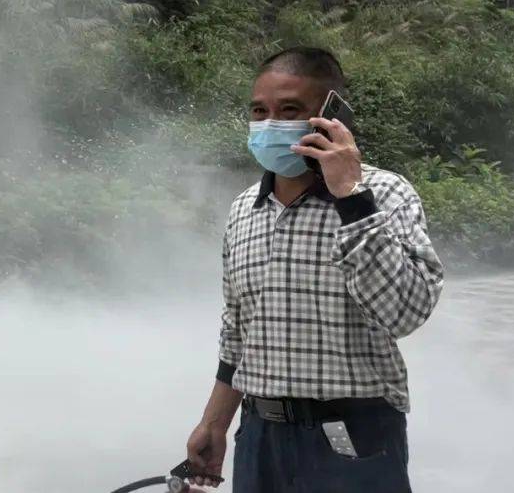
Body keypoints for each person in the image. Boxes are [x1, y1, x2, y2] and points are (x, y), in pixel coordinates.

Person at [184, 47, 444, 492]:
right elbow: (237, 332)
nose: (269, 124)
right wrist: (215, 422)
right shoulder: (245, 208)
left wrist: (351, 197)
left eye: (289, 111)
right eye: (259, 111)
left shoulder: (385, 192)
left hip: (354, 438)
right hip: (259, 437)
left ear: (330, 115)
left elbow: (405, 314)